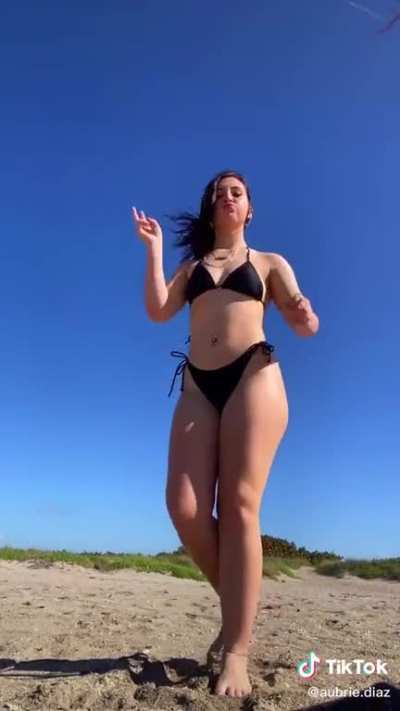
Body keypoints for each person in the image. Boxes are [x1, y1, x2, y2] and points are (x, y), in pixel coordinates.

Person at [131, 169, 319, 698]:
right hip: (197, 384)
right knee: (185, 507)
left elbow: (304, 323)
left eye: (236, 192)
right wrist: (155, 249)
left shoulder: (270, 262)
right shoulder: (192, 267)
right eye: (219, 193)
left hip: (253, 375)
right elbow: (158, 311)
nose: (227, 198)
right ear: (211, 209)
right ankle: (240, 603)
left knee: (239, 505)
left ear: (249, 209)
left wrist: (303, 313)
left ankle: (236, 649)